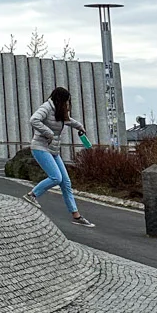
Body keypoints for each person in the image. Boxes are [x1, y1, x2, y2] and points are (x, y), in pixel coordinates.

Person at [24, 87, 95, 227]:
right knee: (56, 178)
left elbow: (67, 120)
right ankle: (31, 195)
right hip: (40, 147)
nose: (68, 104)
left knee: (66, 182)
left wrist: (79, 127)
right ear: (60, 99)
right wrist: (49, 133)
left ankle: (76, 215)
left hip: (52, 150)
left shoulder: (59, 110)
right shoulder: (46, 107)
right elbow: (34, 119)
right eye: (66, 101)